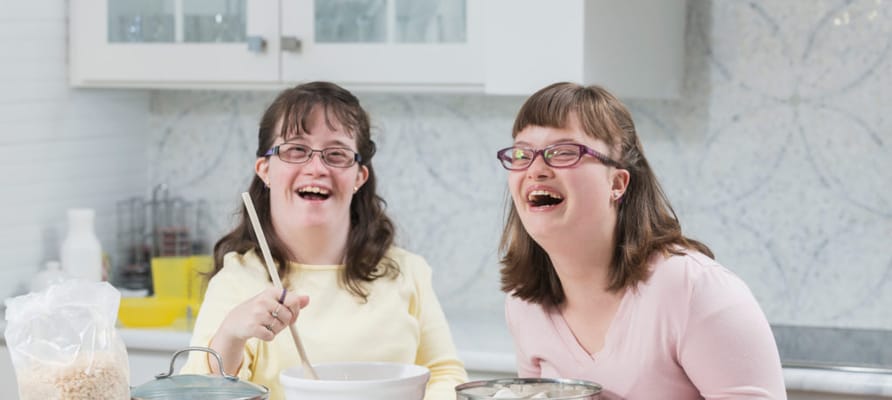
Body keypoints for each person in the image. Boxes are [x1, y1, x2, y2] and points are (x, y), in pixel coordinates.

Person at [496, 82, 786, 399]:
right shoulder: (525, 306)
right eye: (523, 154)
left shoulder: (692, 289)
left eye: (564, 152)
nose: (535, 169)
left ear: (617, 183)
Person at [181, 81, 467, 400]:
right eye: (296, 150)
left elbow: (445, 373)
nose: (317, 168)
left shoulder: (408, 272)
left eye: (336, 154)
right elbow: (198, 394)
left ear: (359, 176)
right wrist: (231, 335)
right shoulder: (237, 281)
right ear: (265, 169)